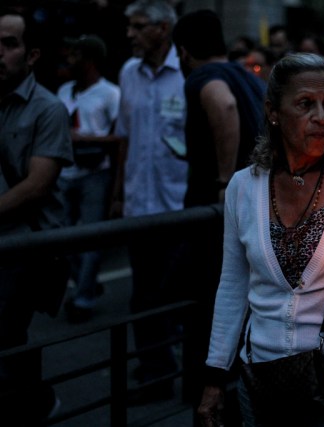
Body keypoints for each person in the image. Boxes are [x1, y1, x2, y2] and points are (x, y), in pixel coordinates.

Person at [197, 53, 324, 427]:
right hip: (261, 383)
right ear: (274, 111)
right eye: (306, 104)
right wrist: (214, 377)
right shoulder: (244, 187)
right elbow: (233, 285)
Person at [171, 8, 266, 416]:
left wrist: (225, 181)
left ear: (183, 51)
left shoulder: (203, 78)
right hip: (247, 207)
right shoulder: (247, 76)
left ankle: (208, 397)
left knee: (207, 303)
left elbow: (222, 107)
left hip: (217, 212)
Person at [0, 6, 73, 422]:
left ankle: (36, 404)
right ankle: (34, 402)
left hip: (24, 246)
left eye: (9, 44)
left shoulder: (47, 109)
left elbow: (36, 185)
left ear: (31, 55)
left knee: (6, 336)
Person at [112, 0, 187, 404]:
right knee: (144, 294)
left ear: (161, 29)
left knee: (168, 295)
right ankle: (156, 369)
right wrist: (119, 193)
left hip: (179, 208)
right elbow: (124, 138)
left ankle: (169, 368)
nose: (130, 34)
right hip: (139, 208)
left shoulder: (187, 73)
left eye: (138, 26)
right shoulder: (128, 73)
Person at [56, 34, 121, 323]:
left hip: (96, 172)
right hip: (64, 172)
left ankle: (82, 298)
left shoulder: (110, 93)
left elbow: (120, 136)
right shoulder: (64, 90)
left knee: (91, 237)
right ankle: (87, 282)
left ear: (90, 60)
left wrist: (85, 139)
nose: (69, 61)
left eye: (75, 56)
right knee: (60, 238)